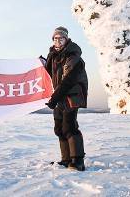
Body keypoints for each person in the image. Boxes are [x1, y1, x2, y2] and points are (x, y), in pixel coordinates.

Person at [44, 26, 88, 171]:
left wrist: (54, 98)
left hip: (70, 96)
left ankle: (77, 161)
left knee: (69, 127)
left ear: (66, 39)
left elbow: (68, 81)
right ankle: (66, 159)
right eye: (55, 38)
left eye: (61, 38)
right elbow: (47, 74)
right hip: (59, 97)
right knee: (59, 128)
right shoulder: (54, 56)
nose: (58, 41)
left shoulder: (73, 56)